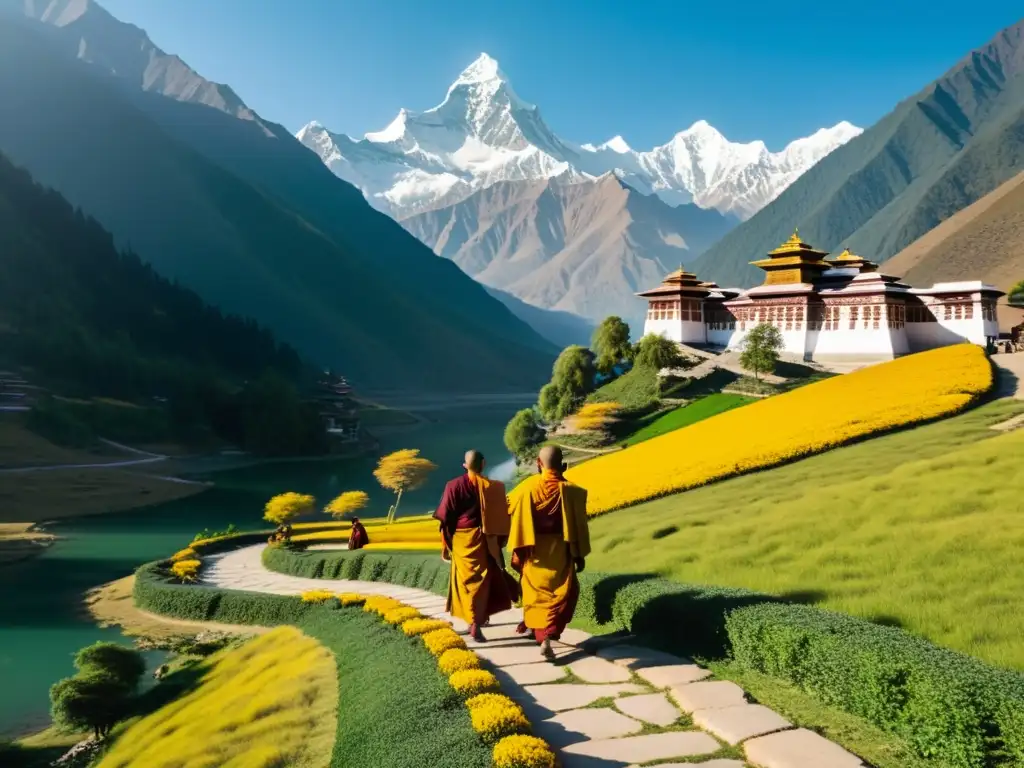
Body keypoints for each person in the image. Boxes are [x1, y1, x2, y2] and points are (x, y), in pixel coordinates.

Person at [507, 445, 590, 660]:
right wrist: (578, 555)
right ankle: (547, 637)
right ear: (564, 464)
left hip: (534, 552)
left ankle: (542, 637)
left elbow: (509, 512)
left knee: (535, 595)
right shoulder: (573, 492)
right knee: (562, 593)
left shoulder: (527, 488)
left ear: (538, 463)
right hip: (560, 552)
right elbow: (579, 526)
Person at [433, 449, 514, 641]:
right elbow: (502, 520)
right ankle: (476, 622)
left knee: (465, 583)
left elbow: (446, 519)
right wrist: (497, 543)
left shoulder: (452, 486)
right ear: (483, 464)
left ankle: (473, 621)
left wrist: (445, 545)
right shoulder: (494, 488)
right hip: (485, 540)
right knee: (483, 583)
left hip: (461, 541)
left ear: (464, 465)